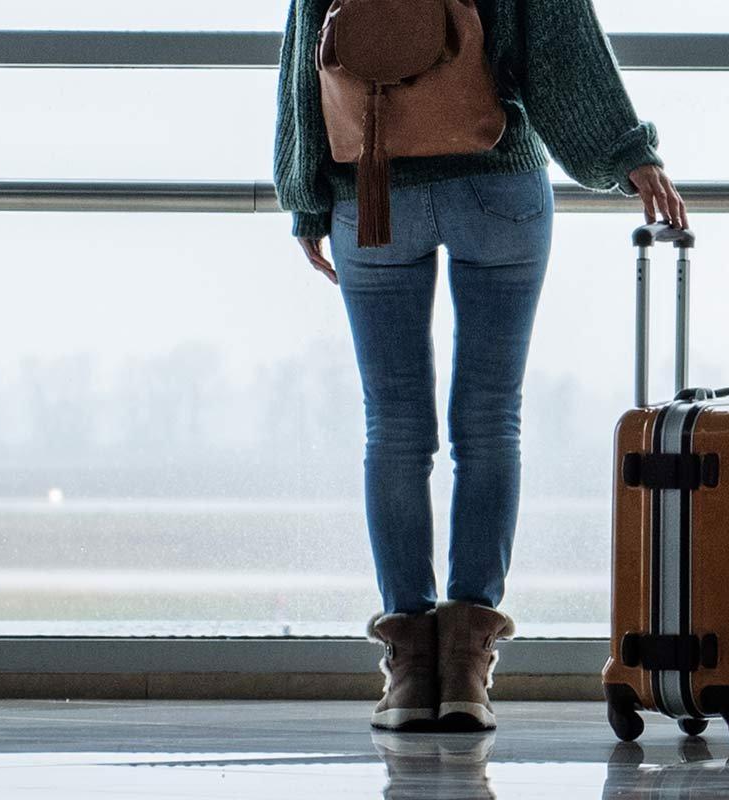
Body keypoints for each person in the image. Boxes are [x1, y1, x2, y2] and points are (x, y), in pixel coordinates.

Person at [277, 0, 690, 733]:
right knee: (490, 420)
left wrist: (307, 200)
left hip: (372, 191)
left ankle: (409, 672)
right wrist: (631, 153)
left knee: (395, 427)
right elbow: (564, 48)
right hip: (495, 185)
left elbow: (304, 54)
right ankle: (467, 662)